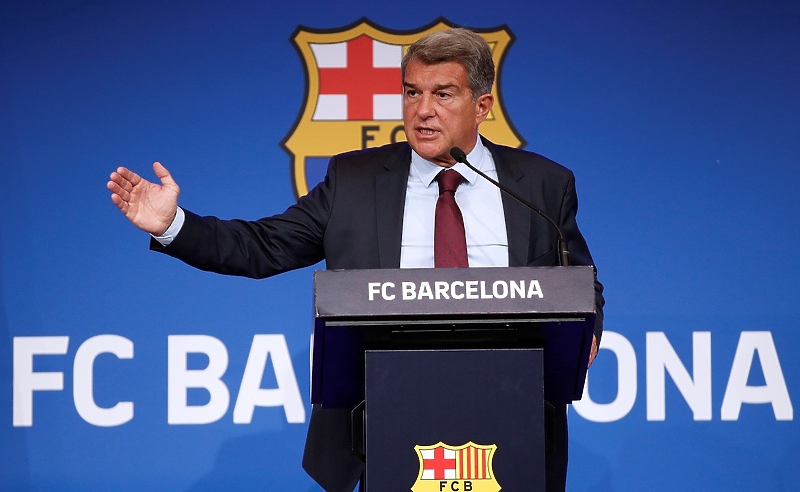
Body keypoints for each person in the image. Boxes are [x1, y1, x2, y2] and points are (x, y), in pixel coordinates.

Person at [108, 27, 604, 492]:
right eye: (412, 92)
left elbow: (578, 280)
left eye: (443, 94)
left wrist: (590, 328)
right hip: (384, 427)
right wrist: (174, 224)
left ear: (482, 106)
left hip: (511, 424)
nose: (423, 110)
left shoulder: (540, 185)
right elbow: (262, 246)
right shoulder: (355, 180)